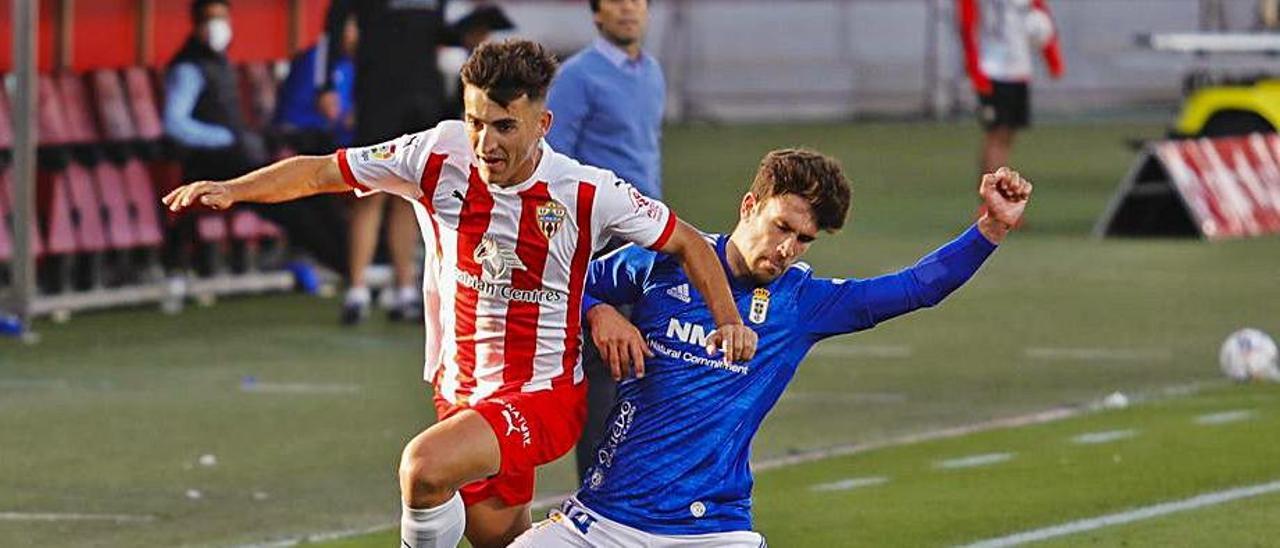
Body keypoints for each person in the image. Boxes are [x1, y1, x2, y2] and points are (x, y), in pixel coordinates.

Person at [162, 39, 758, 548]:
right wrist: (233, 189)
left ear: (541, 124)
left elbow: (687, 242)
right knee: (497, 538)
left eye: (504, 126)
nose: (485, 143)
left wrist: (727, 318)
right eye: (476, 122)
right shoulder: (435, 153)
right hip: (460, 391)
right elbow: (323, 171)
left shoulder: (585, 191)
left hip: (543, 396)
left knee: (423, 469)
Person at [510, 152, 1034, 547]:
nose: (788, 248)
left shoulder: (802, 302)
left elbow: (915, 287)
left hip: (710, 531)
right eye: (782, 227)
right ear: (750, 205)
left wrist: (989, 228)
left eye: (805, 239)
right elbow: (558, 286)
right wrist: (599, 312)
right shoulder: (664, 259)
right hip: (602, 520)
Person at [545, 0, 666, 482]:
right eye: (615, 2)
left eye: (636, 1)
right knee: (603, 367)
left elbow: (646, 155)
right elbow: (553, 161)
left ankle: (634, 490)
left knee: (644, 365)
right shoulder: (576, 78)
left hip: (649, 243)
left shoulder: (652, 72)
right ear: (595, 14)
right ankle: (597, 490)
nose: (627, 10)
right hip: (602, 242)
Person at [321, 0, 454, 324]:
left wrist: (469, 36)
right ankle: (357, 289)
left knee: (411, 194)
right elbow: (333, 27)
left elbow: (443, 31)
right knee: (369, 190)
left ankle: (406, 288)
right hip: (378, 95)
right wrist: (325, 84)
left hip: (424, 98)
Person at [957, 0, 1063, 177]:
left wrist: (1052, 58)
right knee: (997, 134)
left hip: (1018, 69)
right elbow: (968, 23)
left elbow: (1040, 17)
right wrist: (974, 70)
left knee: (1007, 135)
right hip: (993, 69)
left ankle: (996, 193)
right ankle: (992, 197)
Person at [274, 15, 358, 154]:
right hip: (304, 135)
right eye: (355, 27)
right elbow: (332, 111)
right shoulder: (319, 58)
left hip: (336, 137)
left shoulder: (351, 62)